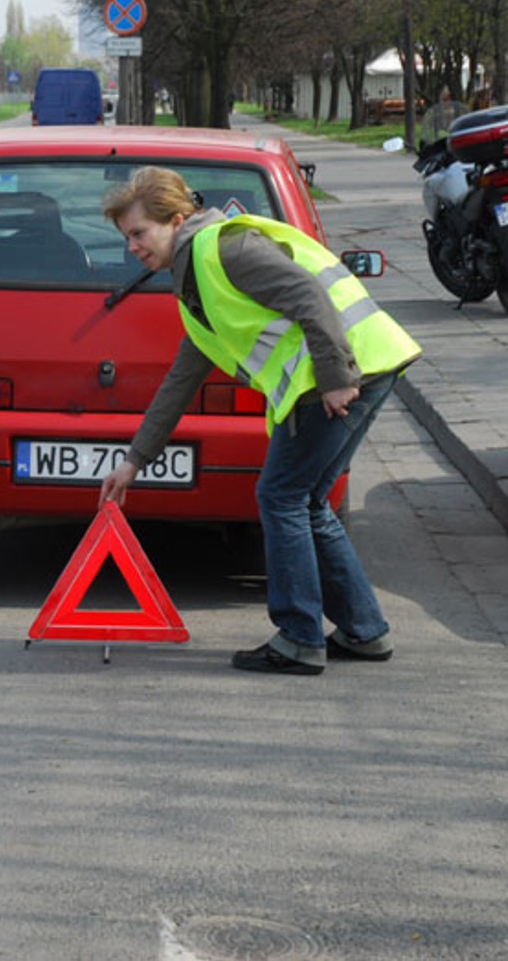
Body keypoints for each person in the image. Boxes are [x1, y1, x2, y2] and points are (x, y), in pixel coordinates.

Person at [97, 167, 422, 676]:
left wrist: (336, 375)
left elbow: (308, 295)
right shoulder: (194, 288)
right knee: (307, 501)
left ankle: (298, 638)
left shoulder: (223, 250)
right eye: (126, 238)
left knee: (282, 496)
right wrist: (134, 460)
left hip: (341, 375)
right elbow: (180, 383)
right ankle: (363, 631)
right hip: (364, 367)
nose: (133, 247)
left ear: (175, 220)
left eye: (139, 233)